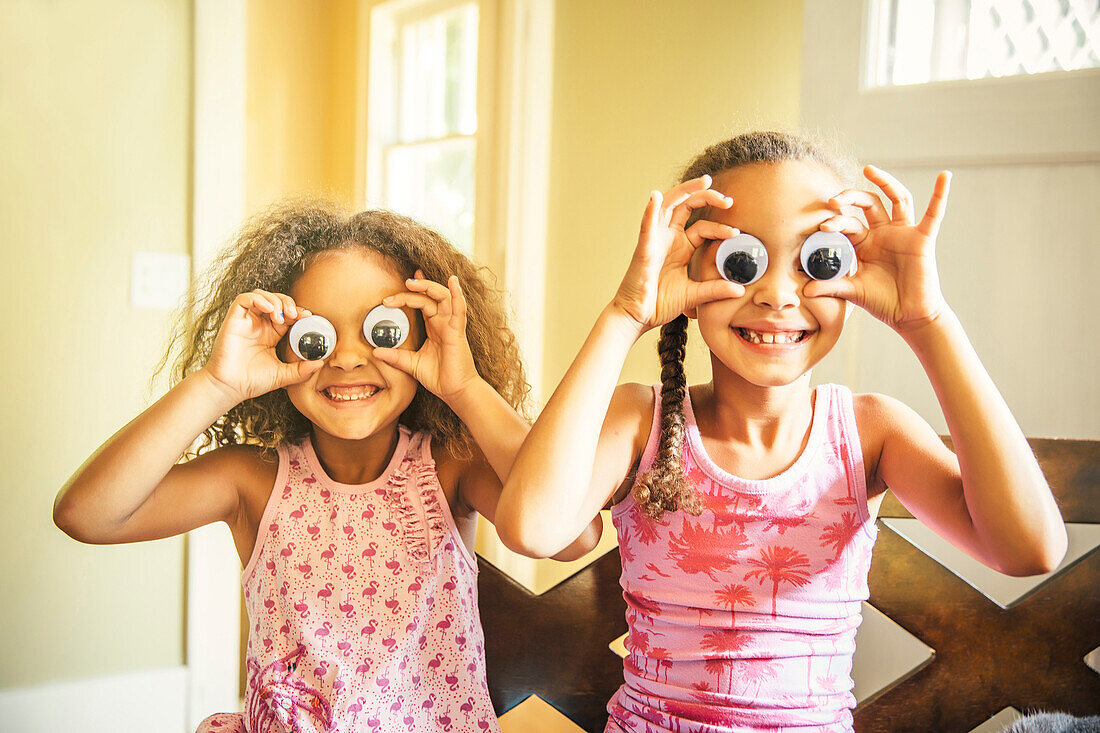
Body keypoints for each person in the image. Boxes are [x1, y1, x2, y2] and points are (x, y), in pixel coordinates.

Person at [494, 131, 1067, 732]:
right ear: (686, 275)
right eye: (743, 261)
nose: (777, 295)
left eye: (817, 260)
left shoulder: (870, 432)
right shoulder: (643, 421)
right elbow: (534, 528)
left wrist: (928, 322)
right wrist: (626, 313)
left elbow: (1028, 549)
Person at [53, 200, 600, 733]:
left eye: (380, 332)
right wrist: (218, 384)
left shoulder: (448, 468)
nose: (345, 358)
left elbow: (572, 535)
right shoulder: (253, 479)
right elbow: (87, 515)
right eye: (317, 337)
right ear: (284, 346)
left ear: (426, 337)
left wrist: (464, 386)